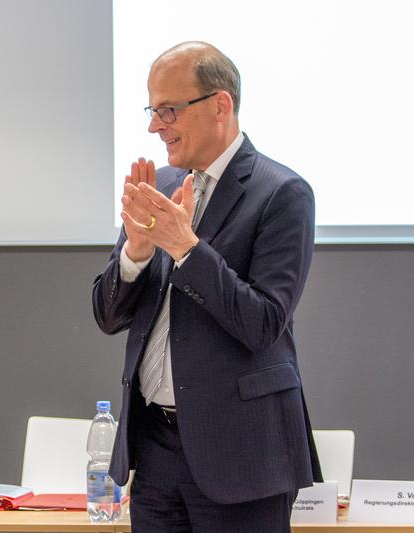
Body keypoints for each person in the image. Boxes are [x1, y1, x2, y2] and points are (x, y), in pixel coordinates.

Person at [92, 42, 321, 532]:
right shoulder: (163, 185)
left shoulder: (283, 193)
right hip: (154, 454)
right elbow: (108, 316)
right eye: (153, 112)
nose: (156, 126)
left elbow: (261, 324)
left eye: (169, 110)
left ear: (220, 105)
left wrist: (187, 249)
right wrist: (134, 252)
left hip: (241, 455)